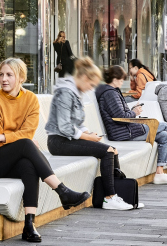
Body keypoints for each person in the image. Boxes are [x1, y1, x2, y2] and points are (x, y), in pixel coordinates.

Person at [0, 58, 90, 243]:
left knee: (29, 165)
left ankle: (29, 225)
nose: (4, 79)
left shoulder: (30, 99)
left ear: (21, 78)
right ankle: (62, 191)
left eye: (9, 75)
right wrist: (9, 137)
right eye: (1, 74)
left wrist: (5, 136)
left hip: (9, 154)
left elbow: (27, 131)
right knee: (27, 145)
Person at [46, 60, 132, 211]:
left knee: (112, 149)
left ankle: (119, 196)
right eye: (91, 85)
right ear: (85, 78)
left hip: (67, 139)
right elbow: (64, 127)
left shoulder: (74, 91)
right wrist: (88, 137)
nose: (90, 89)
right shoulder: (66, 92)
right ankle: (109, 198)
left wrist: (88, 132)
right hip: (58, 142)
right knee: (107, 151)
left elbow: (76, 124)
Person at [97, 65, 167, 185]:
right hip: (122, 132)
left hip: (125, 129)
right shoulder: (110, 94)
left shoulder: (112, 92)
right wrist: (134, 112)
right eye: (122, 80)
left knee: (165, 136)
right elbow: (120, 118)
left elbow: (120, 114)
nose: (122, 82)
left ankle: (159, 173)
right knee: (164, 126)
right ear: (115, 79)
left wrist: (133, 109)